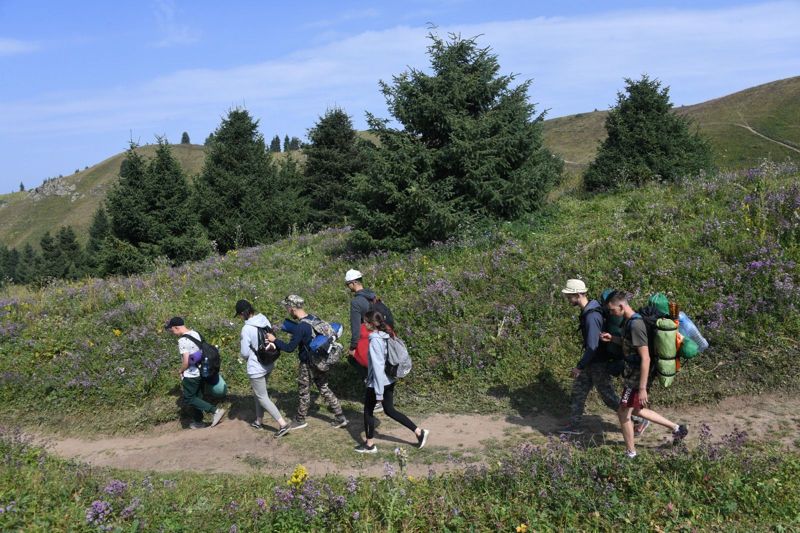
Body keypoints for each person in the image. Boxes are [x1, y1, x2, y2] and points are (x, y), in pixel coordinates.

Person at [601, 292, 688, 458]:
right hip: (632, 373)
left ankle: (631, 453)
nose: (611, 313)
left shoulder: (636, 325)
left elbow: (646, 358)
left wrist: (642, 389)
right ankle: (678, 429)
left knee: (623, 413)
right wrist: (612, 338)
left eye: (612, 310)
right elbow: (630, 344)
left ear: (621, 306)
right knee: (636, 411)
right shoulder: (628, 322)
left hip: (637, 376)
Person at [560, 279, 647, 436]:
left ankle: (640, 418)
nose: (568, 299)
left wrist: (579, 366)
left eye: (569, 296)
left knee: (609, 397)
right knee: (578, 391)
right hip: (592, 362)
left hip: (597, 362)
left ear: (578, 295)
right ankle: (574, 424)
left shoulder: (591, 316)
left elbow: (593, 346)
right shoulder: (590, 310)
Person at [266, 294, 348, 431]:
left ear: (292, 308)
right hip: (321, 360)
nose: (287, 310)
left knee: (304, 391)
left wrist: (274, 340)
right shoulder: (313, 318)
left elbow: (289, 348)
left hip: (307, 364)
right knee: (324, 387)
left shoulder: (301, 327)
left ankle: (300, 420)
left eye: (287, 307)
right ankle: (340, 417)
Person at [354, 310, 429, 453]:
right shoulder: (386, 334)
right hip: (389, 379)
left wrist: (378, 391)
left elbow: (377, 366)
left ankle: (369, 445)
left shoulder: (375, 339)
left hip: (378, 381)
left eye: (365, 321)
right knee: (389, 410)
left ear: (371, 323)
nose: (364, 324)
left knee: (368, 412)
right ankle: (419, 432)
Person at [234, 299, 290, 437]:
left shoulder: (246, 329)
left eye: (240, 315)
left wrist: (247, 357)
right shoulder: (263, 318)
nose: (240, 318)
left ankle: (282, 424)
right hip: (268, 363)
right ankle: (259, 421)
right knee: (258, 394)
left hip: (256, 367)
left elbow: (245, 352)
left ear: (243, 313)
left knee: (262, 397)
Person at [164, 316, 225, 429]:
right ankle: (198, 422)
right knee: (197, 396)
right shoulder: (195, 333)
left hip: (191, 374)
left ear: (176, 327)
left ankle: (215, 411)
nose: (172, 333)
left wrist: (181, 370)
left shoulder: (182, 340)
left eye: (172, 330)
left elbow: (186, 361)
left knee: (189, 398)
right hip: (202, 371)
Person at [345, 268, 391, 412]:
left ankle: (377, 399)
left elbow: (356, 328)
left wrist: (352, 347)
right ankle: (384, 395)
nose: (348, 287)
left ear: (353, 283)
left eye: (347, 284)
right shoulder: (372, 295)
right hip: (383, 334)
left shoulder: (356, 302)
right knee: (379, 366)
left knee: (358, 362)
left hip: (368, 338)